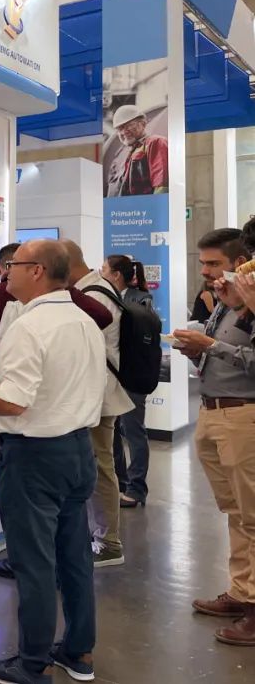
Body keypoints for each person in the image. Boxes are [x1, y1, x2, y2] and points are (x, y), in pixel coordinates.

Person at [0, 239, 106, 684]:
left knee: (34, 562)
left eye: (14, 265)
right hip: (77, 450)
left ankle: (31, 663)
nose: (6, 272)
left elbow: (13, 402)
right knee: (74, 557)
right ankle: (78, 651)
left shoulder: (29, 326)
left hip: (35, 459)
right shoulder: (82, 320)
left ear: (37, 270)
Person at [173, 229, 255, 645]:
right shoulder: (224, 301)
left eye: (213, 263)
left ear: (241, 262)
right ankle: (243, 593)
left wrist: (210, 345)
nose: (205, 271)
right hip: (213, 412)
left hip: (243, 416)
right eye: (203, 263)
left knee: (252, 515)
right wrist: (199, 350)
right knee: (236, 513)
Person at [62, 240, 132, 568]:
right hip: (98, 394)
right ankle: (101, 536)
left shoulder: (92, 295)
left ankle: (108, 542)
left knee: (100, 468)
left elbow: (80, 349)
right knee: (99, 466)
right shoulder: (96, 288)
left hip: (96, 397)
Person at [0, 243, 114, 364]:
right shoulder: (12, 310)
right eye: (11, 265)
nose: (10, 271)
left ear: (36, 270)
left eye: (15, 265)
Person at [101, 255, 156, 508]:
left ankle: (137, 489)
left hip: (132, 377)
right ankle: (120, 483)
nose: (100, 272)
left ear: (116, 275)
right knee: (112, 432)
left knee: (134, 432)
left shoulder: (141, 300)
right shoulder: (107, 297)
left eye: (103, 268)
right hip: (112, 376)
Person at [109, 105, 168, 196]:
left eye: (128, 126)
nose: (124, 132)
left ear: (143, 124)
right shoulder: (125, 154)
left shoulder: (155, 142)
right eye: (120, 129)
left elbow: (162, 186)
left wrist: (157, 204)